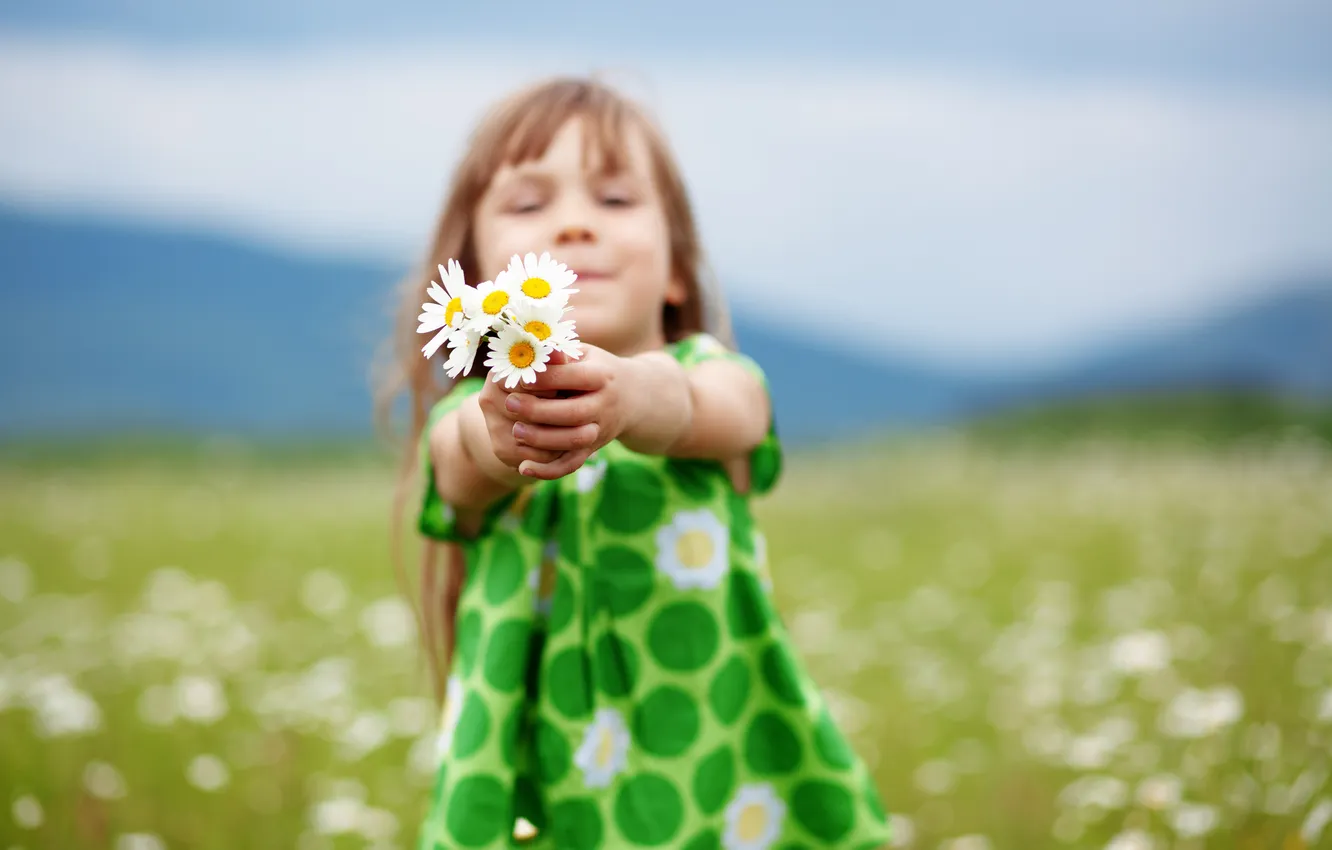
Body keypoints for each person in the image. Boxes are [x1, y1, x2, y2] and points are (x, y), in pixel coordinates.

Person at [383, 76, 891, 850]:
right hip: (535, 786)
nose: (575, 226)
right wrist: (508, 426)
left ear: (679, 270)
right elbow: (462, 462)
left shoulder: (713, 379)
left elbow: (714, 410)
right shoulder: (473, 418)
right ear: (477, 280)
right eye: (528, 204)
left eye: (615, 201)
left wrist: (632, 394)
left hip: (709, 774)